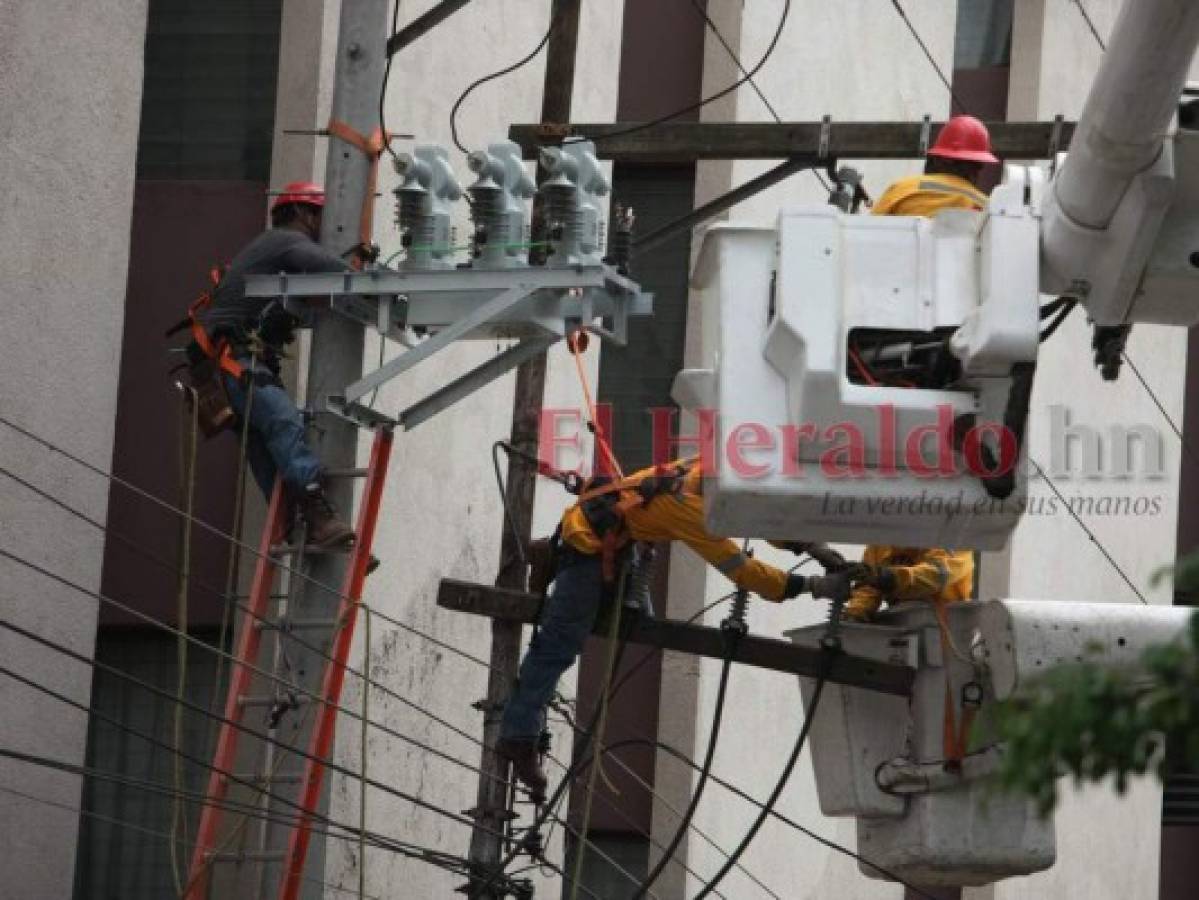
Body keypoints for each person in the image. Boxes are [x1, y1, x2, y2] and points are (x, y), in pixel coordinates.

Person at [495, 459, 849, 797]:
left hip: (620, 540)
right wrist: (811, 586)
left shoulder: (702, 472)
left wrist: (809, 546)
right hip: (586, 547)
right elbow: (745, 572)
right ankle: (518, 735)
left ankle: (565, 578)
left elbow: (754, 511)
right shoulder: (690, 510)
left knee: (640, 622)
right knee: (560, 643)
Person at [192, 181, 357, 548]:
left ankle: (289, 527)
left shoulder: (273, 255)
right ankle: (317, 514)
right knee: (283, 422)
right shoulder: (284, 240)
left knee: (265, 446)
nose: (321, 226)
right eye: (318, 215)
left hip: (225, 370)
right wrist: (363, 275)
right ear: (299, 213)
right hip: (234, 364)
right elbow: (328, 267)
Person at [872, 114, 998, 216]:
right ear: (977, 168)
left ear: (938, 159)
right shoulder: (986, 206)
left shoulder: (902, 189)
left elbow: (869, 229)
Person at [845, 546, 974, 621]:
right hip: (900, 624)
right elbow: (868, 591)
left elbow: (935, 575)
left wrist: (891, 578)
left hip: (947, 628)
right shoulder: (880, 545)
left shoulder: (953, 539)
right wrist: (854, 615)